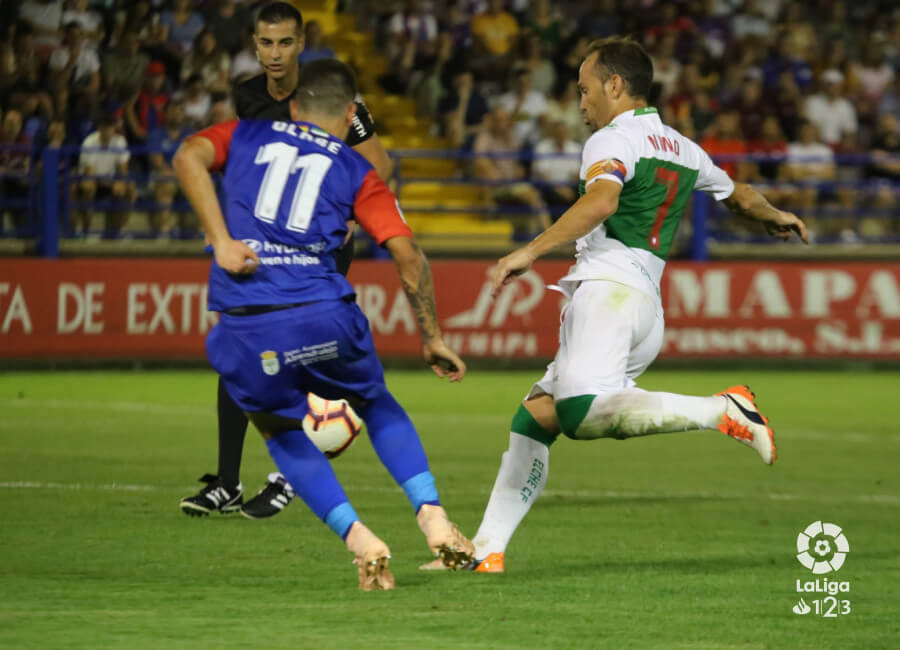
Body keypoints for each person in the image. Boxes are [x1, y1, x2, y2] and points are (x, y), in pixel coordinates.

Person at [450, 37, 808, 574]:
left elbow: (602, 201)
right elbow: (738, 195)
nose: (581, 104)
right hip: (645, 308)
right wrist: (776, 215)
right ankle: (485, 551)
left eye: (585, 89)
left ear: (615, 85)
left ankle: (722, 409)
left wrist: (530, 250)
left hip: (608, 293)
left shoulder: (612, 140)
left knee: (577, 413)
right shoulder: (683, 146)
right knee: (536, 418)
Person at [172, 58, 473, 590]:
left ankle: (360, 539)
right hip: (324, 314)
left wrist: (220, 239)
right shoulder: (358, 170)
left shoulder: (245, 134)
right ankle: (432, 516)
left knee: (280, 429)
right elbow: (409, 256)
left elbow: (188, 155)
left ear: (293, 106)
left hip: (248, 323)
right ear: (351, 113)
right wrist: (431, 336)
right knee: (377, 403)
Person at [180, 1, 393, 520]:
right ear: (254, 45)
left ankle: (288, 474)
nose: (275, 53)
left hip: (320, 246)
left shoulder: (333, 98)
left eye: (285, 43)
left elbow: (379, 161)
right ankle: (227, 481)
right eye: (266, 43)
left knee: (304, 353)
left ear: (302, 44)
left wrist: (351, 219)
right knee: (238, 348)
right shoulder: (248, 96)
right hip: (266, 246)